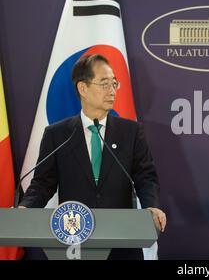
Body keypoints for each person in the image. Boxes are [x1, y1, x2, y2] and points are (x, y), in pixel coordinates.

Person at [19, 54, 166, 260]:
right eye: (104, 83)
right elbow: (43, 183)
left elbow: (145, 177)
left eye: (114, 83)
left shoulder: (131, 132)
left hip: (122, 241)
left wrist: (151, 205)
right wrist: (26, 207)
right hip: (75, 241)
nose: (112, 90)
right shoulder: (58, 135)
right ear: (83, 88)